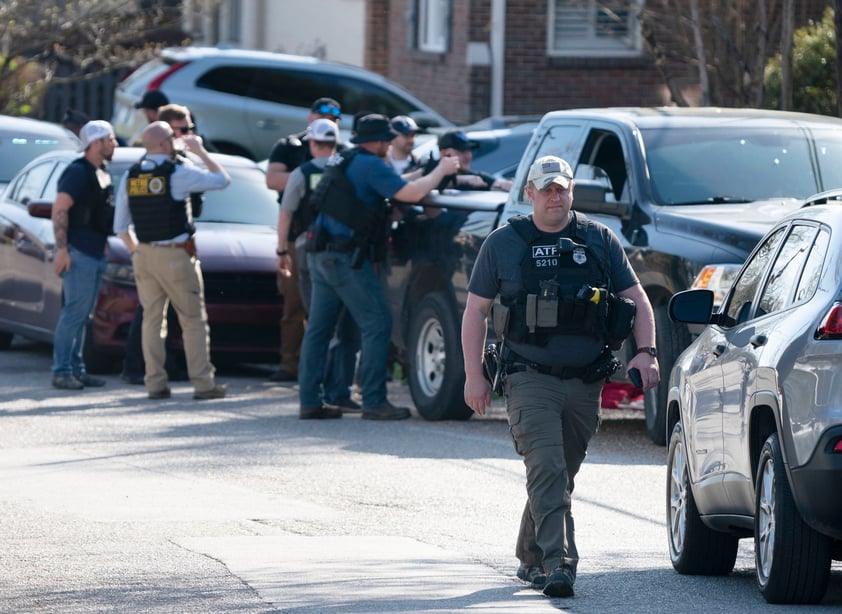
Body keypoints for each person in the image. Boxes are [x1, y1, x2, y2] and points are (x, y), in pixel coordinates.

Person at [460, 155, 660, 598]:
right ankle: (559, 564)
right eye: (546, 188)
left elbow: (637, 299)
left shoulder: (598, 239)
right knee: (547, 467)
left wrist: (645, 353)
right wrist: (474, 375)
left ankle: (530, 555)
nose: (555, 196)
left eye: (562, 188)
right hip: (528, 376)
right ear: (528, 193)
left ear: (571, 192)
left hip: (587, 379)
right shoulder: (503, 243)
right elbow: (475, 310)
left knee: (558, 475)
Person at [297, 113, 460, 420]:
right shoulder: (370, 164)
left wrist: (423, 173)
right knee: (378, 322)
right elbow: (409, 194)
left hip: (320, 254)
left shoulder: (348, 159)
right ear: (377, 142)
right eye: (387, 139)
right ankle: (373, 400)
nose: (390, 143)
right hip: (345, 259)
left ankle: (312, 399)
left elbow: (395, 185)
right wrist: (440, 169)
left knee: (320, 329)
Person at [113, 121, 230, 401]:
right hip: (176, 255)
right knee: (192, 320)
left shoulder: (131, 176)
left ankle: (155, 383)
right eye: (174, 137)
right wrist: (200, 152)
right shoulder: (178, 172)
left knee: (152, 320)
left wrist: (138, 252)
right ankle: (203, 384)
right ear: (165, 144)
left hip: (143, 254)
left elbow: (119, 227)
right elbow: (222, 180)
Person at [276, 118, 360, 411]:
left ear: (312, 143)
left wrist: (280, 250)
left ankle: (315, 393)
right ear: (335, 143)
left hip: (308, 251)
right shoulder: (348, 168)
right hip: (347, 254)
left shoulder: (303, 172)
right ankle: (340, 390)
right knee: (346, 326)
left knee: (318, 324)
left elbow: (286, 214)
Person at [265, 96, 345, 383]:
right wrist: (312, 173)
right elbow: (272, 180)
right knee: (294, 304)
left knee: (328, 309)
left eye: (335, 120)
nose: (328, 123)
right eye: (322, 117)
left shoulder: (343, 153)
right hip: (297, 237)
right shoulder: (290, 147)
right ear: (309, 118)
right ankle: (290, 364)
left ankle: (323, 370)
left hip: (334, 241)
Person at [50, 120, 119, 390]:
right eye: (110, 139)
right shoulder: (77, 172)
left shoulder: (101, 171)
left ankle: (77, 370)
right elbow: (60, 209)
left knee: (83, 316)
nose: (115, 144)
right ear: (95, 143)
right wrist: (62, 250)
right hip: (78, 253)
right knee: (73, 314)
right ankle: (62, 371)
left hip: (95, 251)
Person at [436, 130, 512, 192]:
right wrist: (460, 180)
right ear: (444, 153)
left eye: (469, 151)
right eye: (462, 151)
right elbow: (429, 183)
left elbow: (499, 184)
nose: (468, 156)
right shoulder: (430, 175)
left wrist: (509, 185)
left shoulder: (477, 178)